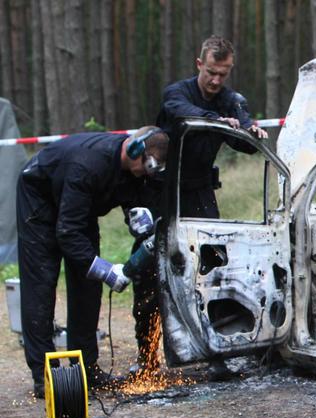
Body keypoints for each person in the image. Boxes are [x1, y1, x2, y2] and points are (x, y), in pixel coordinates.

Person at [131, 35, 267, 379]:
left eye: (223, 73)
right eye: (211, 72)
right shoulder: (177, 94)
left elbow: (246, 140)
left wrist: (252, 131)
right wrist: (217, 119)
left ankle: (216, 352)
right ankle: (146, 362)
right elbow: (184, 114)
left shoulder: (231, 100)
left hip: (201, 192)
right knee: (150, 273)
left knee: (213, 269)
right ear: (199, 65)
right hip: (163, 191)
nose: (216, 80)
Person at [18, 127, 169, 398]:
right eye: (145, 167)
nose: (145, 175)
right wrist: (106, 270)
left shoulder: (135, 170)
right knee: (41, 285)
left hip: (78, 208)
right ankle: (44, 374)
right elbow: (67, 232)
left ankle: (86, 368)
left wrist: (137, 216)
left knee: (87, 286)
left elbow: (133, 199)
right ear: (134, 150)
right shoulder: (88, 165)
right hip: (40, 200)